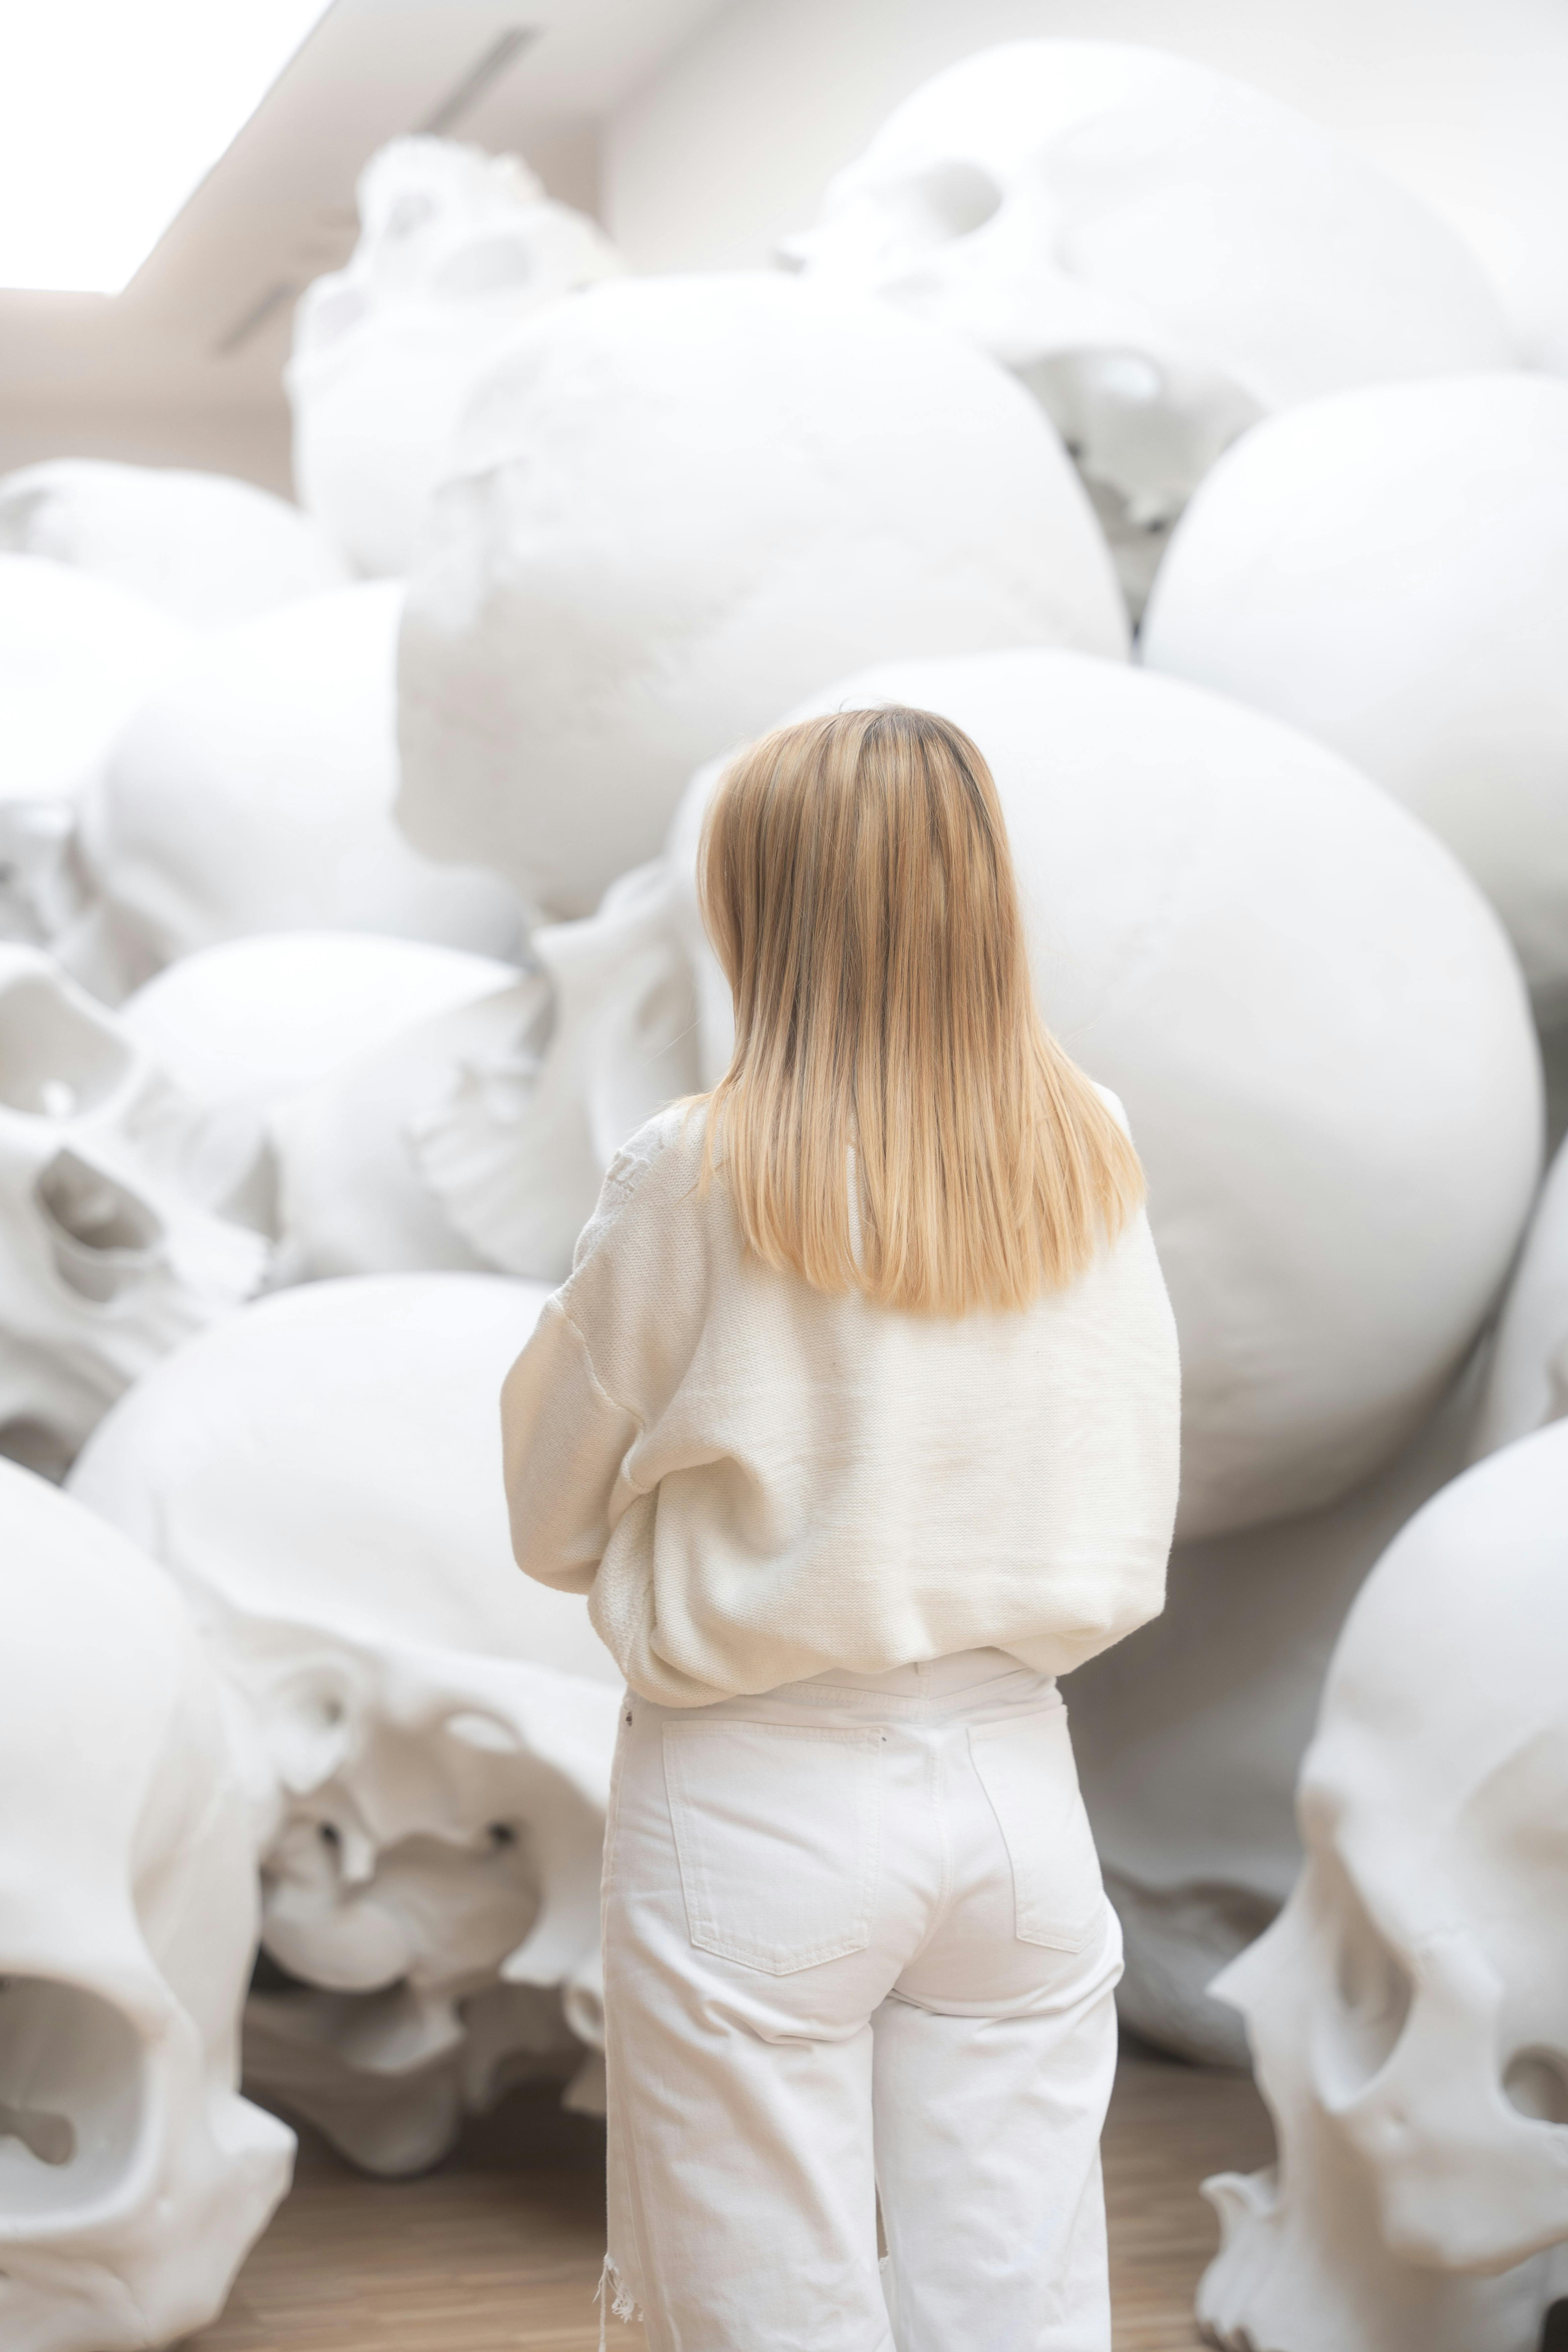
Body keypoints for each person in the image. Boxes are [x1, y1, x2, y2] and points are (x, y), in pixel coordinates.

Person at [500, 706, 1181, 2352]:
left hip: (753, 1790)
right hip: (1019, 1786)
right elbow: (1135, 1460)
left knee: (761, 2311)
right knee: (1015, 2306)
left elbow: (544, 1499)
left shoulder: (693, 1168)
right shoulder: (1086, 1146)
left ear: (757, 908)